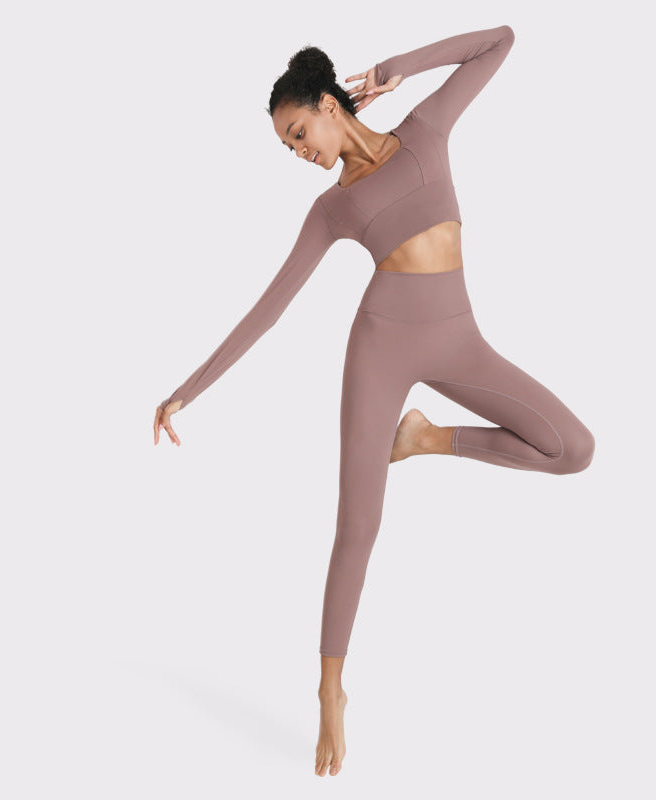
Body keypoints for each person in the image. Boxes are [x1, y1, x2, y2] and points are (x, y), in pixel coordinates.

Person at [153, 25, 595, 777]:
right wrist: (184, 392)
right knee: (358, 525)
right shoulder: (331, 209)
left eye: (299, 132)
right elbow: (269, 309)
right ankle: (330, 687)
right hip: (381, 347)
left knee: (572, 449)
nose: (298, 151)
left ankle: (426, 438)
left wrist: (396, 69)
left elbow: (500, 41)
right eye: (287, 146)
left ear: (330, 105)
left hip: (462, 345)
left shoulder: (426, 130)